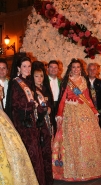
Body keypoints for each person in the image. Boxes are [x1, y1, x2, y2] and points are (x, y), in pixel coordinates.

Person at [52, 58, 101, 181]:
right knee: (72, 139)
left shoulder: (84, 80)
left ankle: (88, 169)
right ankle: (72, 169)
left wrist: (94, 112)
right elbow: (62, 99)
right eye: (73, 67)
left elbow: (87, 98)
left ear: (81, 69)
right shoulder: (66, 81)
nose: (76, 69)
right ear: (70, 69)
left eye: (78, 67)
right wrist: (60, 114)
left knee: (86, 138)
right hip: (70, 112)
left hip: (84, 111)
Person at [7, 53, 53, 185]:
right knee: (30, 153)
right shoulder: (16, 82)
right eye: (24, 66)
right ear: (18, 68)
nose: (27, 69)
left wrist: (42, 109)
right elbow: (15, 104)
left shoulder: (28, 82)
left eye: (29, 66)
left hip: (32, 123)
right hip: (23, 124)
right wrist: (32, 105)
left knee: (36, 153)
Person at [31, 61, 54, 184]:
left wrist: (49, 108)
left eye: (41, 76)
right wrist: (44, 110)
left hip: (47, 123)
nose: (39, 78)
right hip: (39, 124)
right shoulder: (31, 91)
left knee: (47, 151)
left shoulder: (44, 88)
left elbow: (49, 103)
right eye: (36, 76)